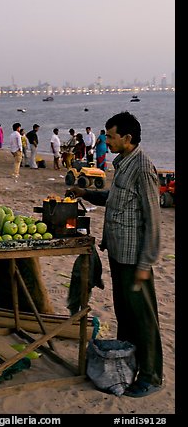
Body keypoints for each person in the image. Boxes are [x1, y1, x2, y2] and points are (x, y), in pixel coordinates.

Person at [65, 111, 163, 398]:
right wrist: (84, 193)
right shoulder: (123, 164)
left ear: (127, 138)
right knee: (126, 316)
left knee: (144, 319)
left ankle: (151, 376)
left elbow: (154, 220)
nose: (106, 140)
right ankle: (129, 365)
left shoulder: (143, 167)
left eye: (110, 136)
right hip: (119, 254)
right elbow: (114, 198)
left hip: (135, 259)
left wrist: (146, 264)